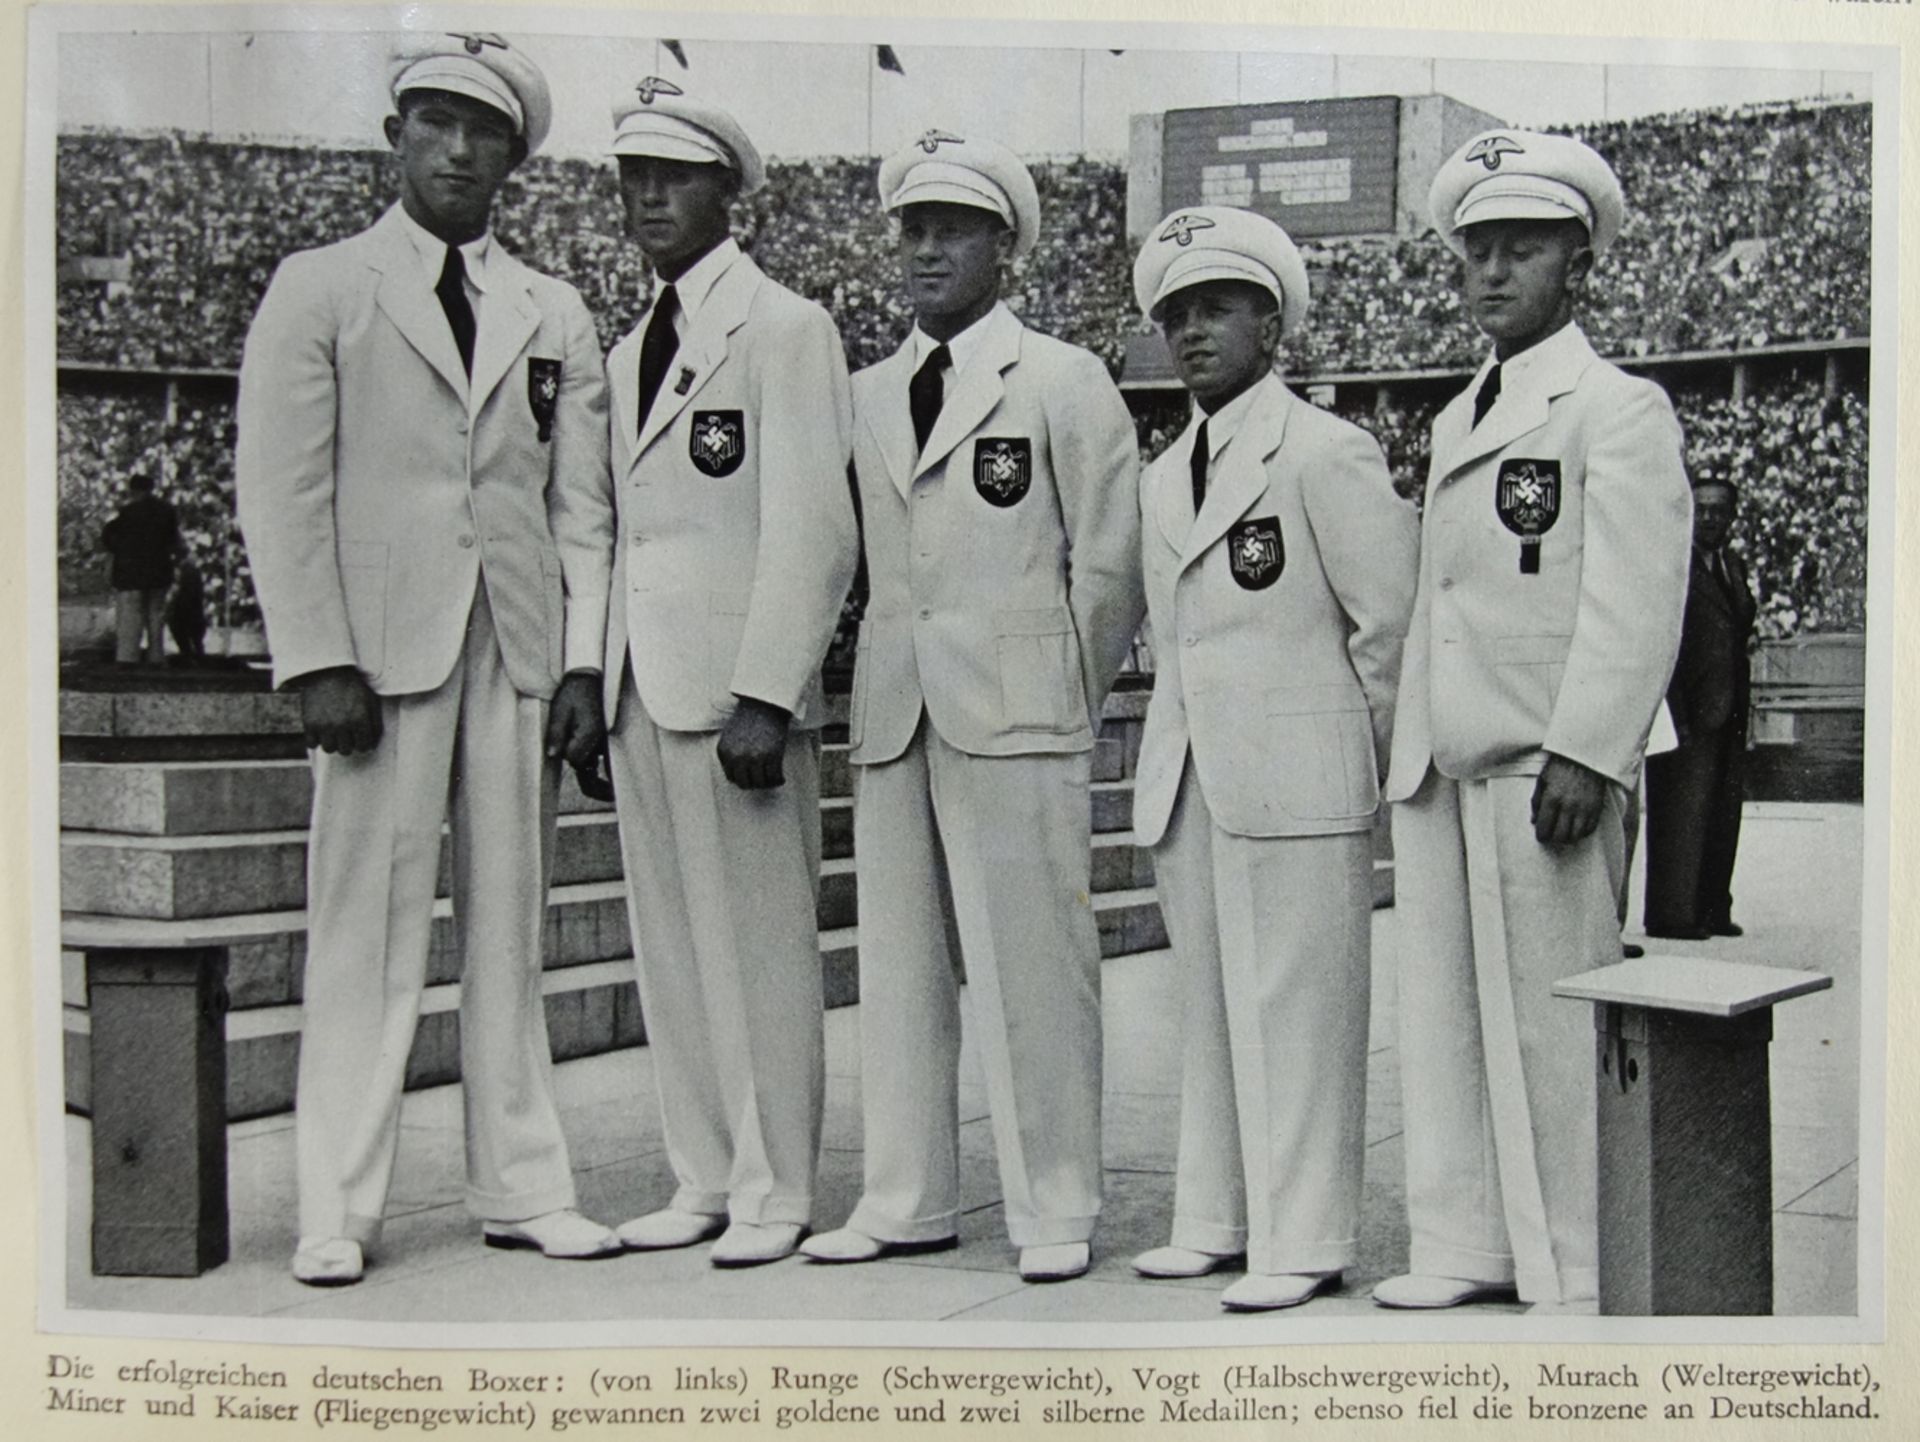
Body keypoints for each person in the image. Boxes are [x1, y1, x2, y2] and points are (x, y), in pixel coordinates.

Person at [235, 32, 620, 1287]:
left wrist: (579, 664)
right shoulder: (322, 284)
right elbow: (282, 491)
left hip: (511, 648)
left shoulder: (553, 307)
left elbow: (579, 507)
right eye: (437, 122)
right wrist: (316, 656)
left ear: (515, 153)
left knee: (513, 931)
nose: (460, 149)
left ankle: (522, 1184)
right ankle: (337, 1203)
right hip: (378, 662)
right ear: (396, 134)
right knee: (363, 934)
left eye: (484, 130)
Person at [801, 130, 1145, 1283]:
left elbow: (1107, 562)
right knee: (897, 968)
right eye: (913, 227)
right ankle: (907, 1192)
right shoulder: (864, 392)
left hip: (1020, 707)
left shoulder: (1060, 377)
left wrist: (1061, 685)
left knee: (1033, 967)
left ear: (1006, 245)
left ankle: (1056, 1200)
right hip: (899, 710)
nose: (928, 247)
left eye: (953, 227)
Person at [1374, 129, 1692, 1312]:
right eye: (1477, 253)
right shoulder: (1462, 414)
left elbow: (1635, 594)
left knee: (1559, 1032)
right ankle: (1465, 1243)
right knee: (1447, 1023)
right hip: (1452, 758)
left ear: (1580, 269)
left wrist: (1589, 747)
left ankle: (1576, 1254)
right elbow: (1438, 599)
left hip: (1547, 756)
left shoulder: (1616, 407)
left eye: (1523, 251)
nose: (1493, 274)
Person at [1124, 208, 1417, 1310]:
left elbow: (1384, 627)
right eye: (1176, 314)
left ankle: (1302, 1237)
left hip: (1301, 777)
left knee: (1299, 1013)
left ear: (1271, 322)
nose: (1192, 332)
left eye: (1217, 309)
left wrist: (1386, 778)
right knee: (1209, 1005)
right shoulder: (1164, 474)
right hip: (1194, 771)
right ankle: (1216, 1216)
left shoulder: (1325, 450)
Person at [594, 79, 858, 1268]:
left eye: (674, 176)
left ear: (727, 191)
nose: (649, 196)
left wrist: (769, 689)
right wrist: (596, 681)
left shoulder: (785, 326)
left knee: (758, 949)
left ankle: (775, 1185)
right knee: (673, 947)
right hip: (645, 686)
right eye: (633, 177)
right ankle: (702, 1171)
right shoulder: (623, 346)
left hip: (739, 695)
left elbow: (814, 525)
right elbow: (619, 530)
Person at [1644, 477, 1756, 940]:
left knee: (1722, 812)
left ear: (1732, 516)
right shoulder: (1673, 562)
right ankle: (1673, 914)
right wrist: (1673, 713)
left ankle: (1712, 908)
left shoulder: (1731, 564)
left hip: (1727, 710)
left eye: (1718, 511)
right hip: (1686, 708)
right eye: (1702, 509)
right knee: (1681, 814)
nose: (1709, 518)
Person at [100, 473, 178, 664]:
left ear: (133, 491)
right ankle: (156, 657)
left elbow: (110, 538)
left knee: (130, 615)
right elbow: (173, 541)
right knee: (155, 615)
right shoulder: (167, 511)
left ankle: (127, 657)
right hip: (159, 571)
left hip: (131, 573)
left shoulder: (127, 513)